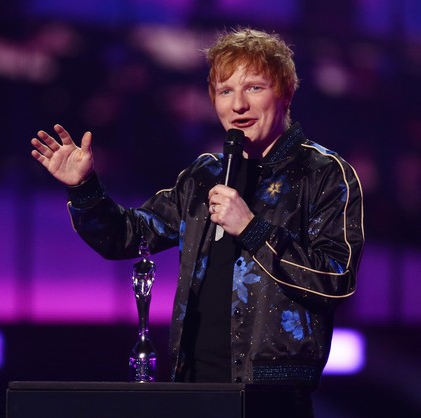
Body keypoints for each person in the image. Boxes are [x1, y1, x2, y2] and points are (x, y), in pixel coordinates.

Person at [30, 27, 364, 417]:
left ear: (286, 92)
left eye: (254, 88)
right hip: (193, 389)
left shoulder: (323, 172)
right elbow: (128, 236)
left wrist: (252, 228)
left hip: (272, 394)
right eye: (225, 91)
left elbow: (335, 280)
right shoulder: (203, 176)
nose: (238, 105)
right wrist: (85, 188)